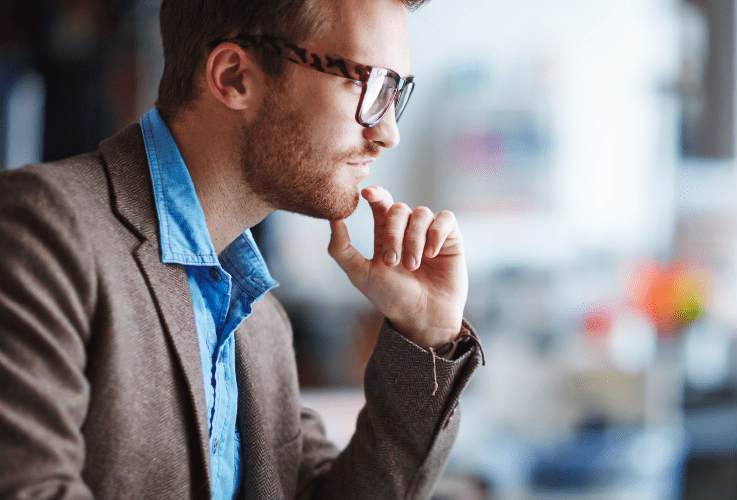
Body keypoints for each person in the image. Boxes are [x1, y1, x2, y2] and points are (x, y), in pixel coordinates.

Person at [0, 0, 484, 497]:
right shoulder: (42, 230)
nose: (389, 133)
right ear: (235, 77)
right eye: (369, 85)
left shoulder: (259, 320)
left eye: (394, 92)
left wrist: (424, 336)